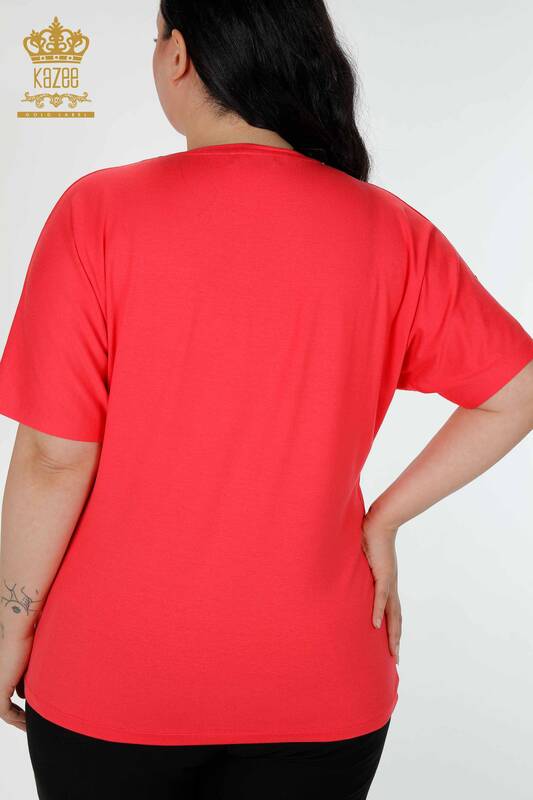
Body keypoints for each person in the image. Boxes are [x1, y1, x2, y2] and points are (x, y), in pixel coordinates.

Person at [0, 1, 532, 797]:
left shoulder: (98, 214)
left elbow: (53, 459)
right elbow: (515, 391)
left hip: (111, 681)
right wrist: (381, 519)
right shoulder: (389, 231)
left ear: (177, 55)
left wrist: (9, 629)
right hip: (321, 683)